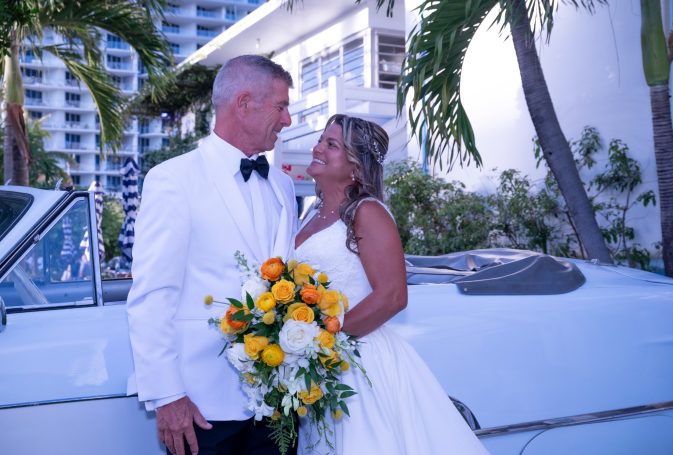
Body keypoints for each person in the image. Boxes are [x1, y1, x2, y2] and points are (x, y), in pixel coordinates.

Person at [127, 55, 299, 455]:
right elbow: (152, 294)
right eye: (281, 106)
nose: (287, 119)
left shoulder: (284, 186)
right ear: (244, 103)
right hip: (200, 408)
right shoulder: (173, 179)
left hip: (277, 404)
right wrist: (168, 396)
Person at [294, 114, 489, 454]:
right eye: (321, 139)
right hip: (320, 365)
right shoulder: (312, 210)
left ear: (356, 166)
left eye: (331, 144)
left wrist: (326, 342)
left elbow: (393, 296)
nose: (318, 147)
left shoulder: (367, 212)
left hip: (356, 362)